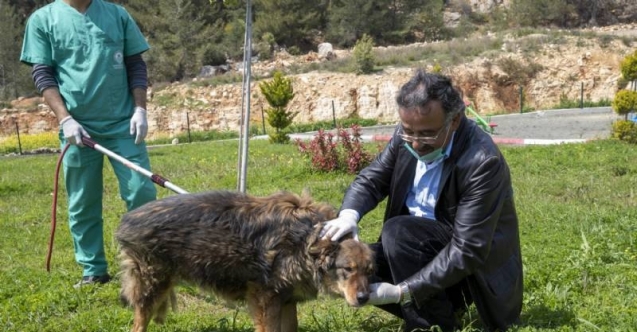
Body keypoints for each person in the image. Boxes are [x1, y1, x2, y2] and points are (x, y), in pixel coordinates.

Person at [321, 69, 523, 331]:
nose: (416, 144)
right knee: (360, 267)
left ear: (455, 120)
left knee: (399, 232)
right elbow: (372, 179)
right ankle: (436, 312)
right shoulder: (408, 135)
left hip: (469, 276)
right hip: (412, 254)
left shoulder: (482, 161)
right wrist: (349, 214)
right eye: (408, 132)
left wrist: (402, 292)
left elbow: (467, 250)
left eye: (427, 134)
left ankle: (431, 324)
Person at [20, 0, 157, 287]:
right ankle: (93, 269)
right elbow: (43, 75)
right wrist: (65, 119)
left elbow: (135, 64)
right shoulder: (43, 20)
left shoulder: (117, 15)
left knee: (141, 191)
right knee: (83, 202)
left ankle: (146, 262)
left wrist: (140, 109)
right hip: (78, 128)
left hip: (122, 124)